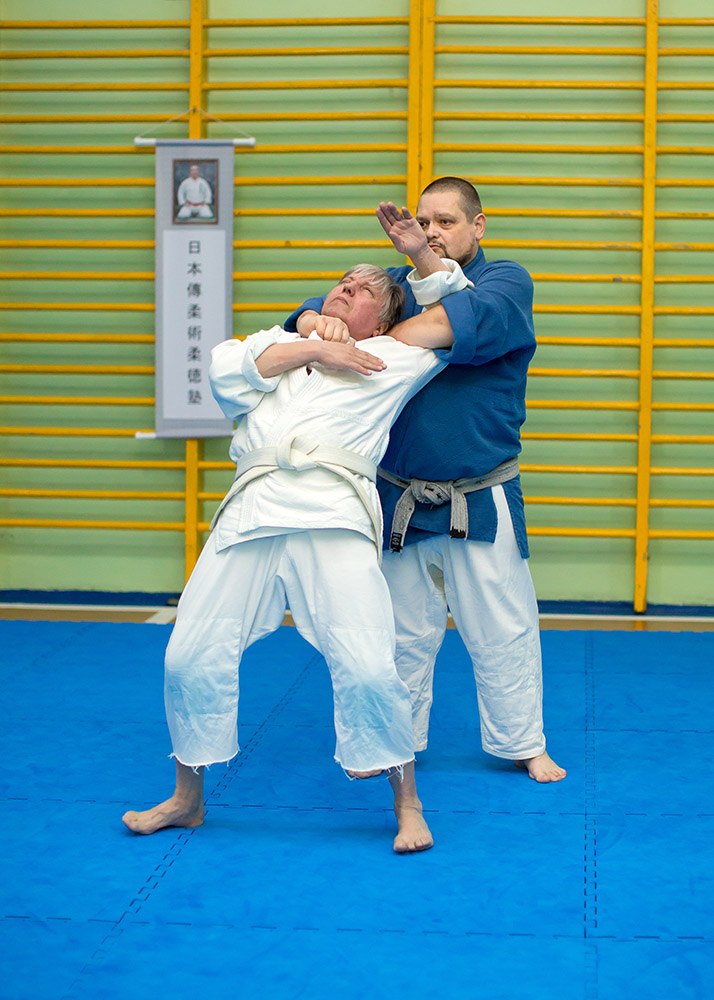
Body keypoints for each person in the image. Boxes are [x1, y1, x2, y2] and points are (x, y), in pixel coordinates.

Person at [122, 260, 471, 852]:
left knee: (368, 664)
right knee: (188, 655)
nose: (346, 290)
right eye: (343, 283)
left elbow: (459, 313)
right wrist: (314, 345)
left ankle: (408, 804)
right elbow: (225, 373)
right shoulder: (278, 341)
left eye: (363, 291)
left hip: (334, 515)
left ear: (382, 320)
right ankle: (186, 798)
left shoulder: (393, 355)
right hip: (252, 510)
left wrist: (421, 256)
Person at [284, 177, 566, 783]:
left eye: (445, 222)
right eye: (424, 222)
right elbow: (319, 309)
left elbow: (452, 325)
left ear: (477, 226)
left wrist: (392, 327)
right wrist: (314, 322)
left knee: (503, 627)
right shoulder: (395, 285)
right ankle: (396, 742)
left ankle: (523, 742)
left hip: (480, 491)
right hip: (398, 493)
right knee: (398, 633)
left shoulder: (506, 280)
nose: (431, 232)